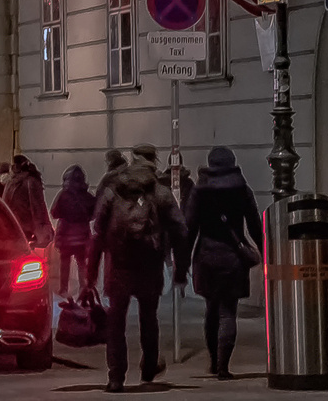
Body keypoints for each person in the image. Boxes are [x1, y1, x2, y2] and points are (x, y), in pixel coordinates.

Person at [86, 144, 188, 393]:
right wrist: (180, 269)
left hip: (118, 266)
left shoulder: (113, 190)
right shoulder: (160, 192)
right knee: (148, 317)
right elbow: (180, 231)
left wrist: (90, 275)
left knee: (116, 322)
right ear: (154, 161)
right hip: (149, 266)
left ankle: (116, 377)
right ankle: (149, 367)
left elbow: (97, 232)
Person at [183, 147, 263, 380]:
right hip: (233, 259)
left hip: (206, 257)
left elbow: (190, 228)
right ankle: (223, 367)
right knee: (229, 313)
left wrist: (181, 263)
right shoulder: (242, 189)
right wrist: (266, 250)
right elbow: (255, 224)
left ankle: (212, 360)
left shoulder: (200, 191)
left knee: (211, 310)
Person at [50, 165, 96, 299]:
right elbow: (93, 213)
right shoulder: (87, 195)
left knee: (65, 263)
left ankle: (64, 288)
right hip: (82, 235)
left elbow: (54, 212)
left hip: (66, 235)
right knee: (82, 263)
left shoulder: (63, 195)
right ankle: (83, 287)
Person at [2, 154, 54, 247]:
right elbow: (38, 206)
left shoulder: (13, 182)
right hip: (24, 226)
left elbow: (5, 203)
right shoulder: (28, 180)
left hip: (17, 225)